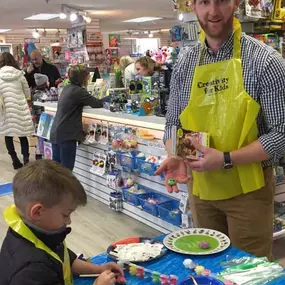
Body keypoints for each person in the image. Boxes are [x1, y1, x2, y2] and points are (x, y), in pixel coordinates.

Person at [155, 0, 285, 260]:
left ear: (236, 3)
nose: (213, 12)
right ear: (193, 6)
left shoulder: (266, 62)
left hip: (249, 192)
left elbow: (281, 133)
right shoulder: (185, 63)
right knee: (208, 265)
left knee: (248, 270)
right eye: (204, 2)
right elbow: (173, 123)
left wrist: (225, 159)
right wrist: (176, 154)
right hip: (201, 189)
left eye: (222, 1)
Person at [0, 160, 123, 285]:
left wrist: (99, 269)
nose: (68, 221)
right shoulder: (31, 270)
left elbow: (64, 259)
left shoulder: (40, 231)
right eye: (65, 214)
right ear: (37, 212)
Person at [50, 64, 108, 171]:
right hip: (67, 135)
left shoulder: (67, 88)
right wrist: (110, 97)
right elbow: (97, 103)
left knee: (57, 171)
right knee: (66, 171)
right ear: (83, 77)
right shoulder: (79, 91)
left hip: (56, 132)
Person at [0, 52, 34, 169]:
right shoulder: (20, 75)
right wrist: (28, 100)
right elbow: (27, 91)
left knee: (8, 135)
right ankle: (26, 159)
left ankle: (15, 159)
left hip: (6, 110)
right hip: (20, 108)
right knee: (22, 135)